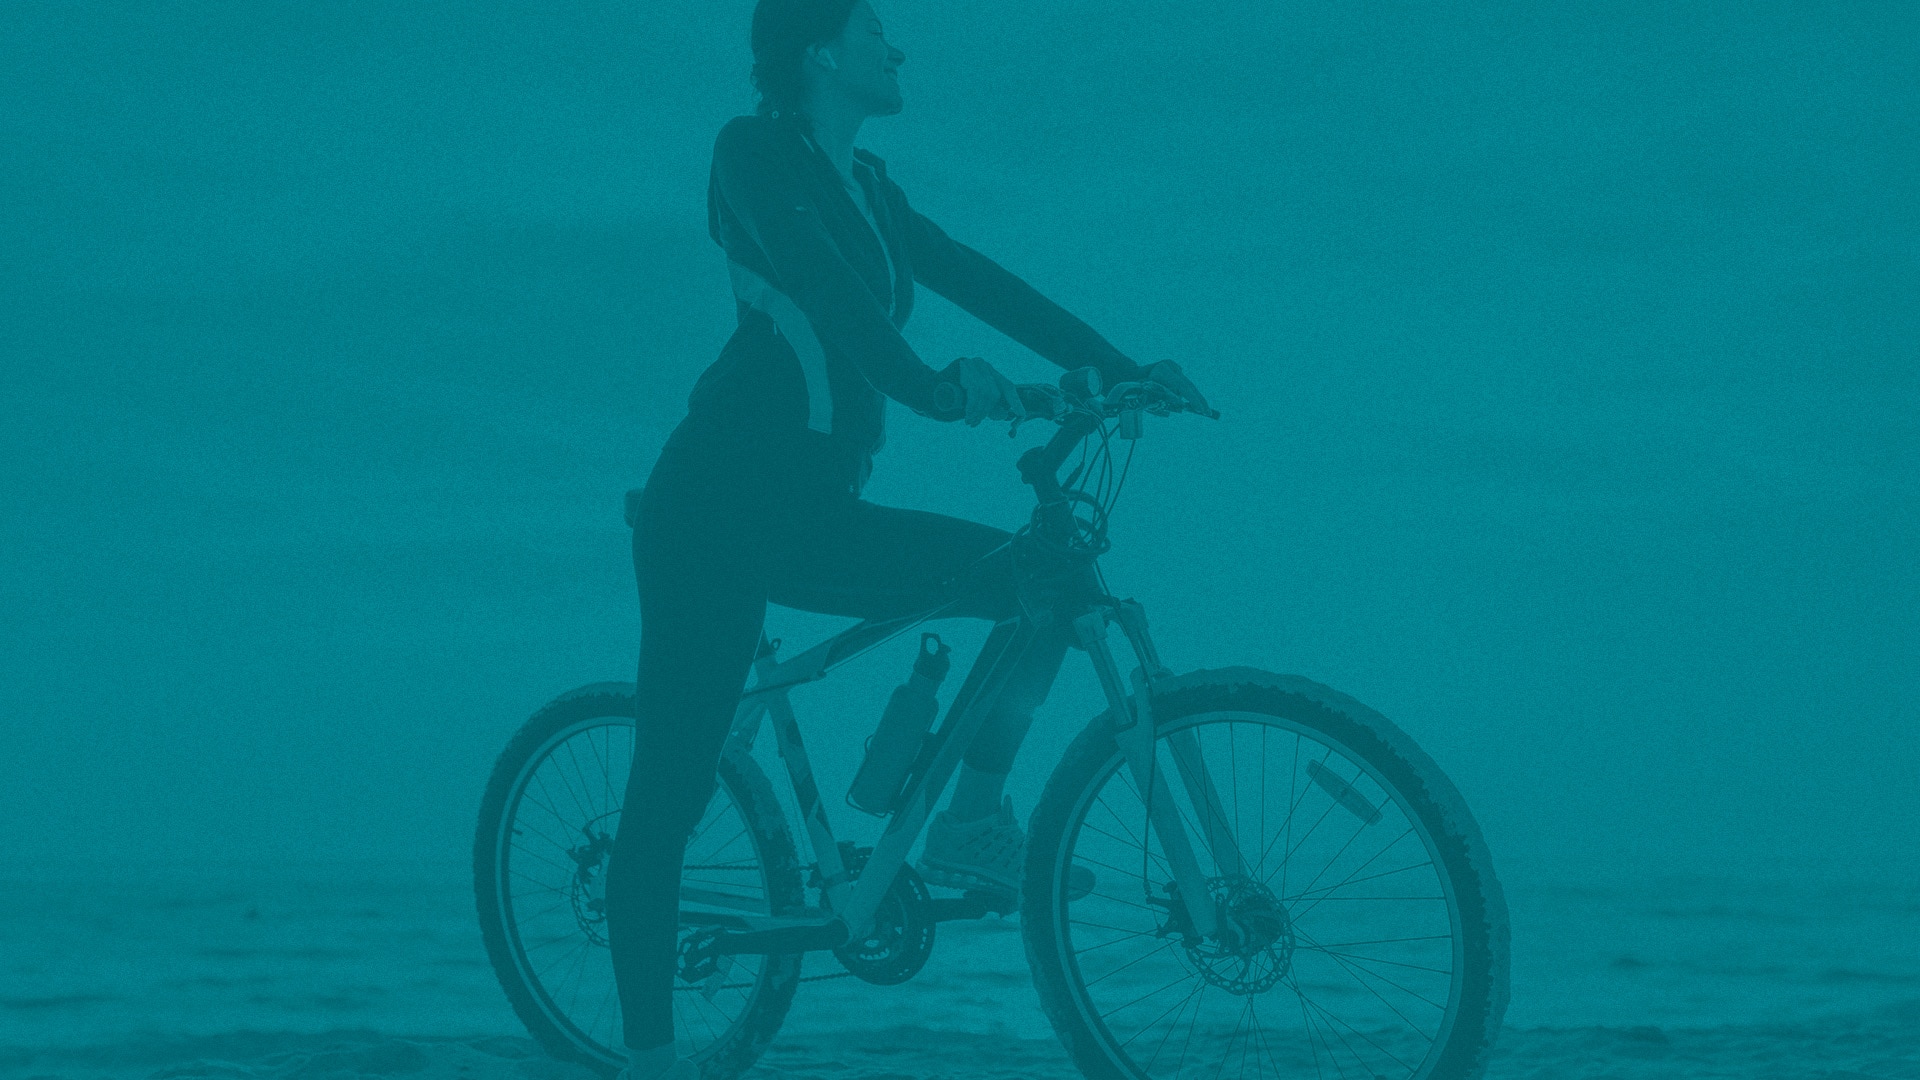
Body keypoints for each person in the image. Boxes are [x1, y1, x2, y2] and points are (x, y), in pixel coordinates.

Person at [604, 1, 1212, 1076]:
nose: (897, 47)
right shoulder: (751, 154)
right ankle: (650, 1056)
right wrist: (934, 389)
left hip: (816, 512)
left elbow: (983, 282)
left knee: (1045, 578)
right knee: (671, 791)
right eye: (875, 28)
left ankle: (970, 820)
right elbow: (828, 294)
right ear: (819, 49)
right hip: (713, 515)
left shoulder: (874, 190)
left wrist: (1123, 369)